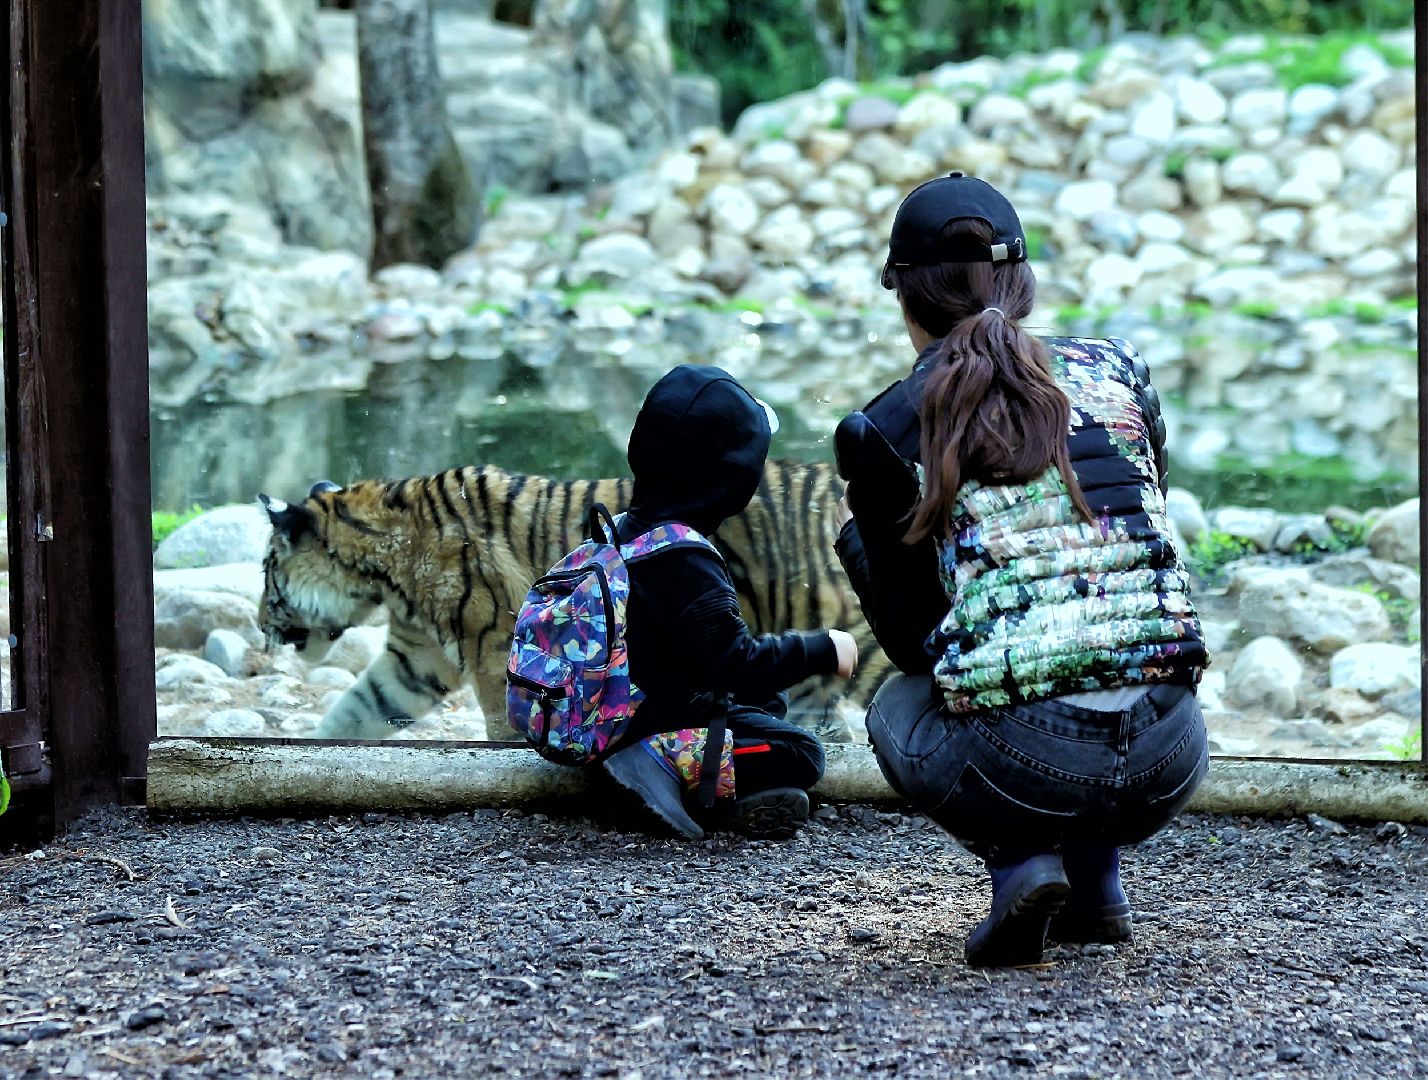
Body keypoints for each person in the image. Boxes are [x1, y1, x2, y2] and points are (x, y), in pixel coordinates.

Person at [834, 172, 1209, 967]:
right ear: (1024, 282)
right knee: (1092, 634)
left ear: (905, 298)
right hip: (1173, 753)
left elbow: (914, 648)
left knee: (899, 704)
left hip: (1027, 763)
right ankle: (1099, 885)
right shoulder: (1120, 369)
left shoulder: (886, 423)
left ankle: (1019, 866)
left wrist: (867, 545)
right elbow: (1143, 535)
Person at [600, 364, 859, 842]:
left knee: (768, 699)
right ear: (734, 478)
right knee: (801, 752)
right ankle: (666, 763)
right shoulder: (685, 562)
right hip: (647, 723)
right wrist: (822, 649)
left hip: (630, 699)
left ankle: (707, 783)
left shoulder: (624, 529)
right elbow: (733, 662)